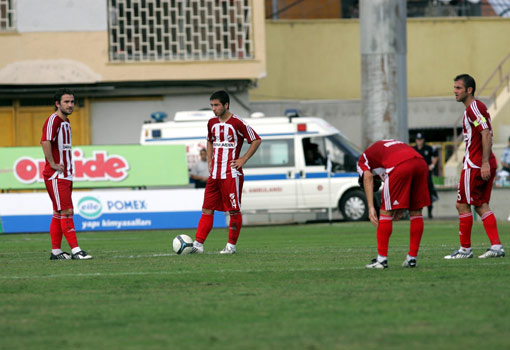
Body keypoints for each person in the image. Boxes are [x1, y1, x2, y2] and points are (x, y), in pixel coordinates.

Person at [190, 90, 261, 254]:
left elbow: (256, 139)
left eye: (216, 105)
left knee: (234, 210)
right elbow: (209, 141)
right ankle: (198, 245)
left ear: (226, 105)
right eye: (211, 105)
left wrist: (243, 159)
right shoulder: (211, 123)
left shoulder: (237, 122)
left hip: (231, 174)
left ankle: (231, 246)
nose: (213, 109)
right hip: (214, 174)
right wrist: (209, 160)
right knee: (207, 209)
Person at [445, 74, 505, 259]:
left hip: (476, 164)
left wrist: (484, 162)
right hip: (480, 163)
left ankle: (465, 250)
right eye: (454, 87)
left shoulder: (473, 108)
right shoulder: (472, 109)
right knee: (480, 205)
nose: (454, 91)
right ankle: (495, 246)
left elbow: (485, 133)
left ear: (469, 90)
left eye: (458, 88)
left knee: (462, 204)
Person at [357, 139, 430, 269]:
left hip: (399, 165)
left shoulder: (362, 160)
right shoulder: (382, 149)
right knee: (416, 211)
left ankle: (381, 260)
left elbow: (367, 177)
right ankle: (412, 258)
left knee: (385, 212)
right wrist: (400, 208)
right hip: (420, 162)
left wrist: (370, 207)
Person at [41, 88, 92, 260]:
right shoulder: (53, 120)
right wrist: (53, 164)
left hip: (66, 175)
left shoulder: (66, 121)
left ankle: (56, 252)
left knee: (58, 212)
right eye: (66, 102)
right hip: (56, 176)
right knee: (67, 211)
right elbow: (45, 141)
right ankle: (76, 251)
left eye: (72, 102)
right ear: (57, 104)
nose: (70, 105)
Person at [413, 132, 439, 218]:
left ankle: (430, 212)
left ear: (423, 140)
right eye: (418, 139)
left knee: (429, 193)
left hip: (426, 174)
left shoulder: (428, 148)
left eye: (420, 139)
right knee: (416, 193)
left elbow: (436, 156)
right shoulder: (413, 149)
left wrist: (432, 165)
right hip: (417, 175)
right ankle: (416, 212)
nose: (419, 141)